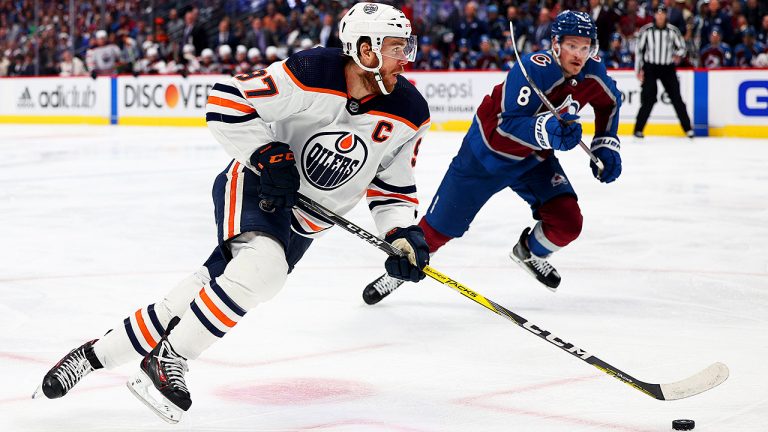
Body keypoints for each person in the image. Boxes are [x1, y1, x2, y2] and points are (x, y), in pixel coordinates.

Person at [33, 2, 430, 423]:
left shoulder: (410, 112)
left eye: (406, 47)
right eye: (395, 47)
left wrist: (402, 233)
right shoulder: (311, 72)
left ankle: (93, 356)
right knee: (264, 272)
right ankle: (169, 359)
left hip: (308, 221)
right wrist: (266, 155)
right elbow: (226, 98)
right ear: (364, 49)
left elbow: (392, 189)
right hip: (258, 186)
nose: (404, 57)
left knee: (201, 293)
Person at [364, 11, 622, 304]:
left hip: (533, 159)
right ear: (556, 43)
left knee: (567, 222)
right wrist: (548, 130)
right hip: (485, 156)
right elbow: (506, 125)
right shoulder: (533, 70)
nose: (579, 54)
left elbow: (611, 101)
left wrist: (606, 142)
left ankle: (529, 252)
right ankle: (397, 273)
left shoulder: (592, 72)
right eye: (572, 46)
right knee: (437, 230)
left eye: (585, 47)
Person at [633, 4, 694, 139]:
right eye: (658, 13)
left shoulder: (673, 31)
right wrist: (638, 70)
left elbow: (682, 48)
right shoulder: (646, 30)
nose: (660, 16)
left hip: (667, 68)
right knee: (648, 99)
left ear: (666, 15)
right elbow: (639, 51)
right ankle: (638, 129)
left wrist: (677, 54)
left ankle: (688, 129)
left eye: (663, 13)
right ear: (655, 15)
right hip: (651, 67)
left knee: (676, 99)